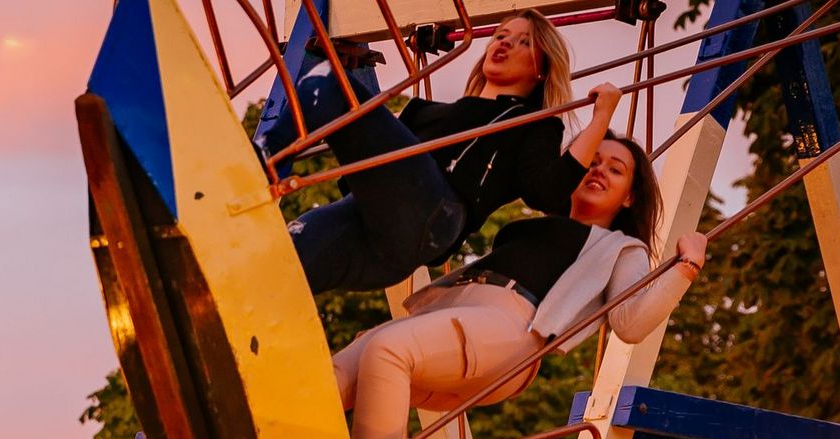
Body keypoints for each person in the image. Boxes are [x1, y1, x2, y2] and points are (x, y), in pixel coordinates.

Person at [332, 134, 708, 439]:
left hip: (513, 325)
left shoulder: (620, 248)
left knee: (387, 349)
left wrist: (686, 266)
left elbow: (631, 323)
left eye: (615, 169)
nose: (597, 171)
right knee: (342, 369)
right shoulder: (533, 224)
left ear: (630, 197)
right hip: (458, 308)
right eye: (591, 162)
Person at [254, 9, 625, 294]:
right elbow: (362, 177)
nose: (505, 44)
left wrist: (601, 117)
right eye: (500, 35)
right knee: (280, 265)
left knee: (328, 83)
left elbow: (546, 192)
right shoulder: (423, 112)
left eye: (525, 42)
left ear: (543, 69)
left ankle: (254, 172)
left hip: (434, 218)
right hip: (379, 234)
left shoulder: (530, 121)